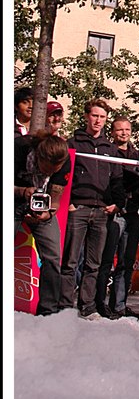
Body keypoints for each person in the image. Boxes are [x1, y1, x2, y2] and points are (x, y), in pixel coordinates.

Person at [58, 98, 125, 317]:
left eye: (102, 117)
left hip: (102, 212)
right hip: (77, 209)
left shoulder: (110, 148)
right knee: (70, 261)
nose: (98, 120)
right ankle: (65, 308)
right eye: (95, 116)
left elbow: (117, 179)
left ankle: (87, 307)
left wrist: (117, 204)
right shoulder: (73, 143)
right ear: (87, 116)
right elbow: (63, 175)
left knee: (94, 264)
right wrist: (68, 203)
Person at [14, 131, 72, 315]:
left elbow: (56, 196)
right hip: (13, 201)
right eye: (47, 169)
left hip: (41, 209)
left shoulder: (63, 161)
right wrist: (22, 191)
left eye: (55, 170)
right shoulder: (18, 150)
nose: (50, 172)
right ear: (39, 156)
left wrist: (48, 213)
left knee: (54, 257)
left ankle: (48, 311)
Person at [95, 116, 139, 320]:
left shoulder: (137, 155)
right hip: (114, 213)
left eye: (127, 129)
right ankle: (98, 303)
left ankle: (119, 304)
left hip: (133, 214)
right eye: (119, 130)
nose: (124, 133)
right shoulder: (108, 152)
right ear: (112, 132)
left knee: (127, 261)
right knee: (106, 260)